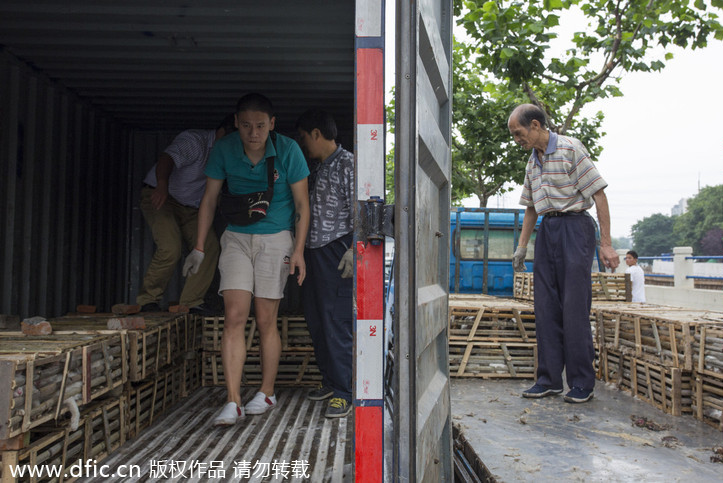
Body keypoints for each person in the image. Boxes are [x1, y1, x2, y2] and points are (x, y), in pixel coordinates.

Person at [184, 93, 310, 426]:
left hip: (276, 238)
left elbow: (302, 206)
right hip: (236, 237)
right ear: (236, 124)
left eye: (259, 125)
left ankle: (266, 392)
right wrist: (198, 246)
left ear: (272, 124)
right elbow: (209, 199)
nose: (253, 132)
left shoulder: (288, 150)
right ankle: (233, 400)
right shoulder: (225, 150)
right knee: (234, 315)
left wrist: (298, 250)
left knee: (266, 318)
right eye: (245, 125)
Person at [508, 103, 619, 404]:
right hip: (548, 232)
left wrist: (605, 243)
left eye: (518, 133)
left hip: (575, 228)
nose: (517, 139)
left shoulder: (570, 148)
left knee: (573, 308)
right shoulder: (532, 162)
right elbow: (531, 208)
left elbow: (599, 194)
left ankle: (582, 382)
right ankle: (549, 379)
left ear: (534, 125)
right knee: (545, 308)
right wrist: (521, 247)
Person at [136, 115, 236, 314]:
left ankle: (190, 303)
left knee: (210, 248)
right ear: (222, 133)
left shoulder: (228, 156)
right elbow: (167, 159)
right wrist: (162, 185)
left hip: (192, 208)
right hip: (162, 197)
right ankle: (148, 300)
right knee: (170, 247)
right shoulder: (195, 140)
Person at [295, 109, 354, 418]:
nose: (304, 145)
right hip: (314, 252)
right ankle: (331, 381)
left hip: (337, 251)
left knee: (336, 323)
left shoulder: (349, 164)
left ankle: (346, 391)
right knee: (318, 321)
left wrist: (354, 249)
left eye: (304, 138)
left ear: (316, 134)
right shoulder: (317, 168)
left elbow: (363, 207)